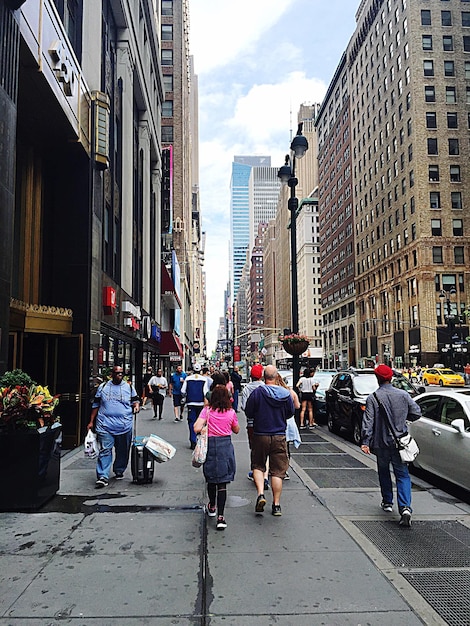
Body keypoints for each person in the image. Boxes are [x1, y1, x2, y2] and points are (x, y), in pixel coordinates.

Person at [361, 364, 421, 527]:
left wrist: (365, 441)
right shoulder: (403, 395)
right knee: (402, 474)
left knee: (384, 472)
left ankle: (387, 502)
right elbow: (417, 412)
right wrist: (402, 419)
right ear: (391, 378)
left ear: (377, 378)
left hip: (381, 444)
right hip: (400, 442)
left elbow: (368, 422)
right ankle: (405, 508)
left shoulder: (373, 397)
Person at [244, 364, 295, 517]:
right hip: (279, 435)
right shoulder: (285, 394)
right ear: (276, 376)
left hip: (260, 434)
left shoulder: (258, 392)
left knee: (258, 466)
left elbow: (249, 412)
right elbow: (290, 413)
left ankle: (260, 494)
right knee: (278, 472)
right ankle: (276, 505)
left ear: (263, 376)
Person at [194, 385, 240, 530]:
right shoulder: (231, 412)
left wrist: (205, 428)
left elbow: (196, 428)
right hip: (225, 446)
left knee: (211, 479)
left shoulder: (207, 411)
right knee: (223, 482)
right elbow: (236, 430)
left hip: (210, 447)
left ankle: (212, 506)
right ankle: (221, 517)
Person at [87, 365, 140, 488]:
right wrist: (91, 422)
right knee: (105, 450)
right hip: (105, 425)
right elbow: (96, 404)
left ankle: (119, 470)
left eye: (121, 373)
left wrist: (136, 406)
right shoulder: (103, 387)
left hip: (124, 425)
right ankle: (103, 476)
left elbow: (135, 400)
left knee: (123, 451)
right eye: (117, 373)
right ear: (112, 374)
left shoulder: (129, 387)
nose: (119, 375)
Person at [240, 364, 267, 486]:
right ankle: (264, 472)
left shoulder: (246, 389)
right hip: (265, 422)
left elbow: (244, 407)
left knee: (254, 447)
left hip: (251, 423)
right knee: (265, 448)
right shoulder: (266, 388)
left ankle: (254, 470)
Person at [276, 373, 301, 480]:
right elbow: (297, 405)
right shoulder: (290, 391)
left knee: (275, 448)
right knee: (286, 447)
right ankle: (284, 470)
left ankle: (275, 468)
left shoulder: (271, 391)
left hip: (276, 421)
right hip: (289, 421)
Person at [181, 363, 210, 449]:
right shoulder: (204, 379)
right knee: (201, 422)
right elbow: (206, 393)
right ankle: (199, 439)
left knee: (191, 422)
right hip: (200, 403)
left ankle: (193, 440)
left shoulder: (188, 378)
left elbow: (183, 391)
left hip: (190, 403)